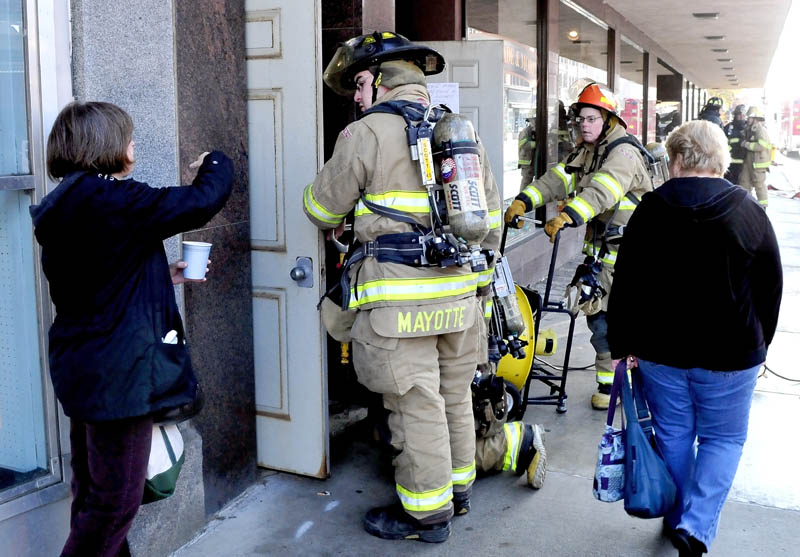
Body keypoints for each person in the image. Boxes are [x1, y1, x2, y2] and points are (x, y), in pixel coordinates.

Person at [305, 31, 511, 543]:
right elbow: (486, 220)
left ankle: (426, 515)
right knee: (454, 396)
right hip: (461, 299)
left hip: (399, 306)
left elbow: (321, 207)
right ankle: (458, 493)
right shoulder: (459, 132)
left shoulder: (366, 132)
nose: (355, 96)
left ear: (382, 80)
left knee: (415, 405)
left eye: (359, 82)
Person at [30, 101, 233, 556]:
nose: (133, 144)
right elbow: (201, 201)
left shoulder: (66, 204)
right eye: (127, 136)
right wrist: (215, 162)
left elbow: (98, 281)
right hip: (119, 378)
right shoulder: (113, 200)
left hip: (83, 367)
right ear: (105, 146)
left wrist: (165, 276)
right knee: (113, 505)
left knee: (93, 495)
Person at [606, 120, 782, 556]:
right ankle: (696, 528)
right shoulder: (747, 211)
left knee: (674, 434)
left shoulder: (650, 208)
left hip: (659, 351)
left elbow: (625, 282)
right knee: (723, 439)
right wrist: (762, 345)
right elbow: (769, 287)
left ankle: (677, 516)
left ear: (677, 159)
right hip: (731, 353)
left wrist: (620, 344)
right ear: (720, 158)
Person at [504, 80, 654, 410]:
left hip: (631, 257)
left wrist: (568, 216)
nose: (584, 125)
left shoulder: (623, 154)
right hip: (603, 254)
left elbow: (603, 191)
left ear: (609, 120)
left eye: (592, 119)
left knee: (613, 321)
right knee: (597, 316)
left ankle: (621, 386)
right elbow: (557, 179)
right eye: (581, 119)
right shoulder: (588, 151)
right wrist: (523, 202)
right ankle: (612, 384)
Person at [740, 105, 773, 209]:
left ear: (755, 119)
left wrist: (747, 145)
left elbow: (762, 145)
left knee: (759, 185)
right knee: (744, 183)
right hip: (749, 161)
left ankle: (763, 208)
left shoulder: (760, 130)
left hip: (758, 163)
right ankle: (748, 207)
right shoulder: (749, 129)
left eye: (749, 118)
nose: (747, 119)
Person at [724, 104, 748, 184]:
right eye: (739, 114)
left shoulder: (749, 128)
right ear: (735, 115)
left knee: (744, 185)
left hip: (745, 163)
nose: (741, 117)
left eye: (743, 115)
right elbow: (722, 144)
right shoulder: (728, 128)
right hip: (731, 164)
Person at [518, 114, 537, 190]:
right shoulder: (526, 131)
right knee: (526, 181)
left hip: (534, 161)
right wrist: (537, 144)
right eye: (533, 120)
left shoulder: (536, 131)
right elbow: (523, 144)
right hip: (527, 162)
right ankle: (521, 200)